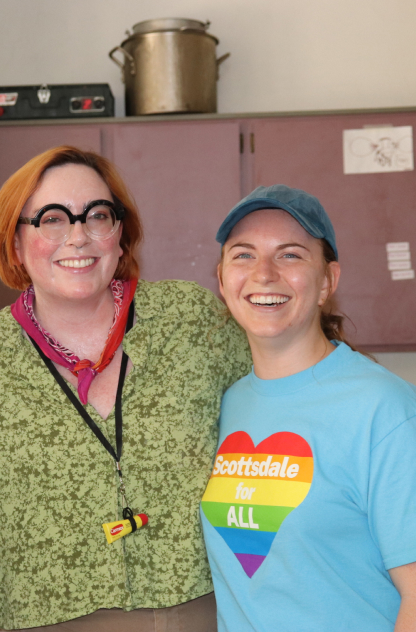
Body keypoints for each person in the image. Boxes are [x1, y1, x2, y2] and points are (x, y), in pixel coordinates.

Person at [0, 146, 251, 631]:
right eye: (52, 219)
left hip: (205, 610)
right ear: (15, 243)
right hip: (44, 619)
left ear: (120, 235)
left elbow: (280, 406)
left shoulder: (191, 322)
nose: (79, 237)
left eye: (97, 216)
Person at [201, 184, 416, 631]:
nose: (263, 273)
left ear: (328, 281)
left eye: (290, 255)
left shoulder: (384, 409)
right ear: (222, 281)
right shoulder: (229, 403)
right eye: (243, 255)